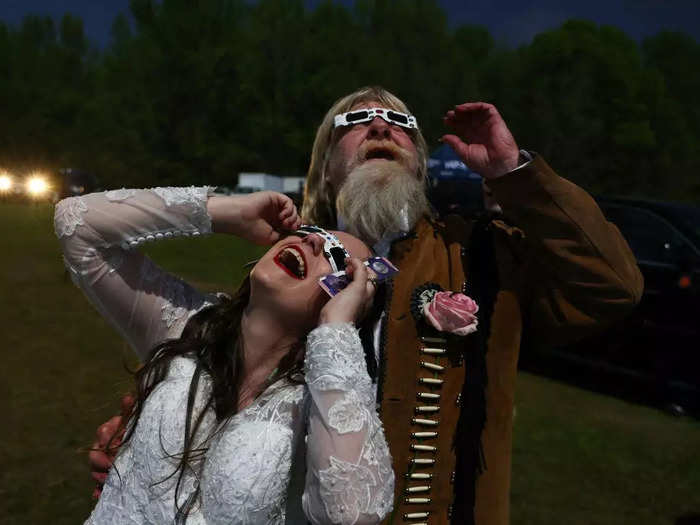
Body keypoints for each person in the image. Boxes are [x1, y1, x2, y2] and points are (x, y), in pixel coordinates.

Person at [90, 86, 644, 525]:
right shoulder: (292, 263)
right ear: (327, 165)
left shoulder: (480, 253)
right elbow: (217, 375)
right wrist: (151, 447)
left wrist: (513, 174)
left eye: (401, 124)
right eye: (355, 123)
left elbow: (613, 287)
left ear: (420, 162)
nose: (380, 127)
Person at [55, 188, 395, 524]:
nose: (312, 242)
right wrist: (227, 213)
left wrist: (335, 329)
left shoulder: (319, 403)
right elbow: (77, 223)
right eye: (310, 232)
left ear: (347, 298)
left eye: (336, 256)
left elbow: (352, 514)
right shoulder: (186, 325)